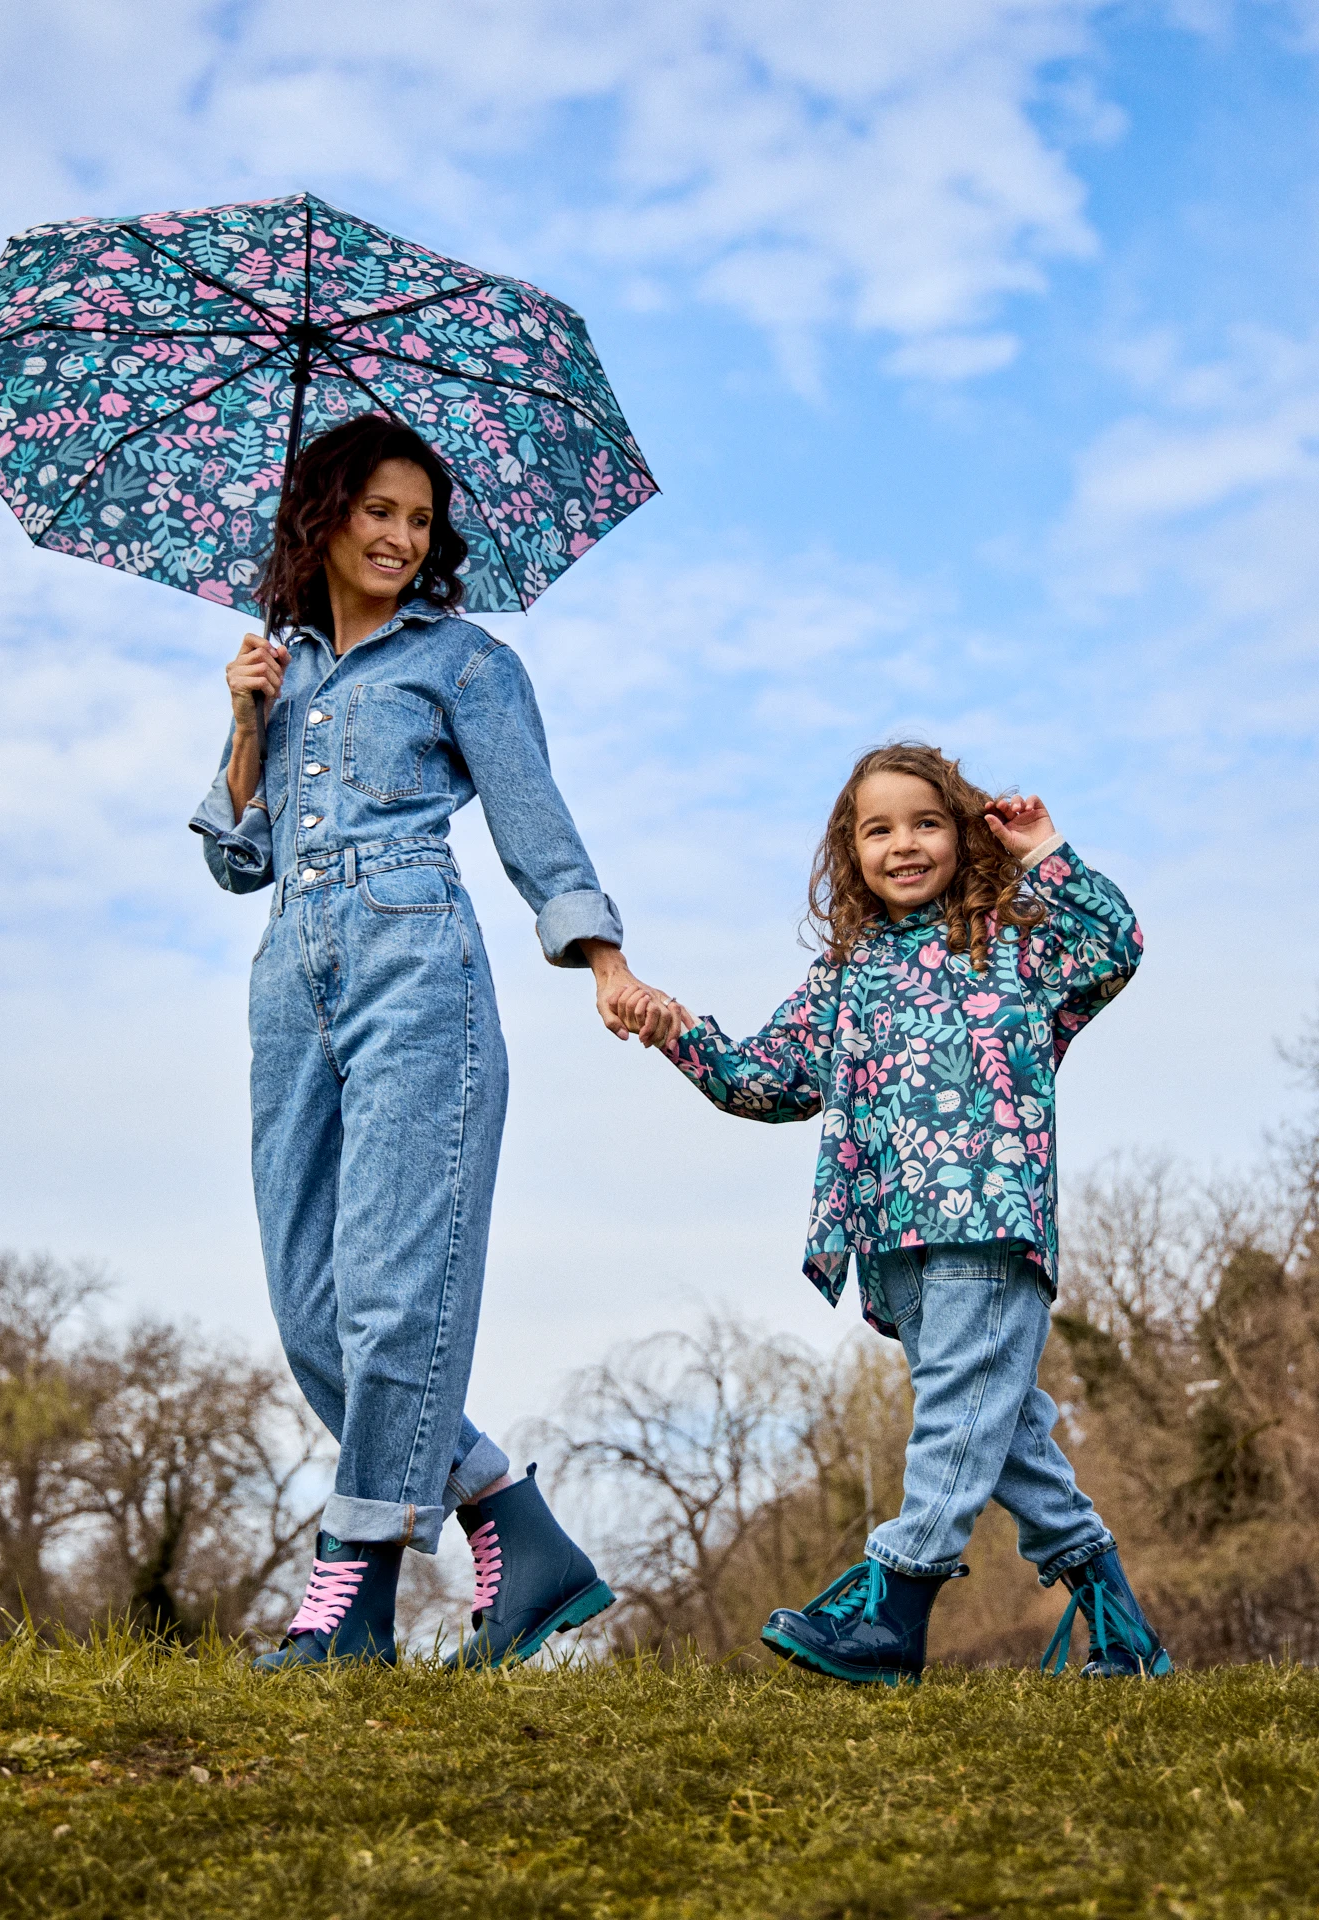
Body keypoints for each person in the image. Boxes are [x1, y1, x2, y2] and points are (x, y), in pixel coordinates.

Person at [190, 414, 672, 1670]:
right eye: (379, 512)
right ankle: (511, 1516)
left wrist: (601, 958)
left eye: (420, 519)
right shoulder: (275, 665)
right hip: (288, 973)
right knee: (312, 1311)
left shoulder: (464, 661)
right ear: (326, 516)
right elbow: (237, 861)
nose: (404, 536)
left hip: (416, 962)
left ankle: (348, 1602)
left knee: (399, 1295)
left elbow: (534, 819)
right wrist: (247, 723)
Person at [623, 742, 1170, 1685]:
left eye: (926, 823)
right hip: (892, 1241)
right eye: (879, 830)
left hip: (987, 1222)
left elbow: (1115, 944)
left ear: (964, 833)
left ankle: (895, 1610)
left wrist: (1045, 850)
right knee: (1002, 1443)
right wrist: (674, 1028)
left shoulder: (1017, 942)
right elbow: (766, 1079)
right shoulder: (848, 971)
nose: (904, 845)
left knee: (957, 1422)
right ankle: (1127, 1636)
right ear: (851, 850)